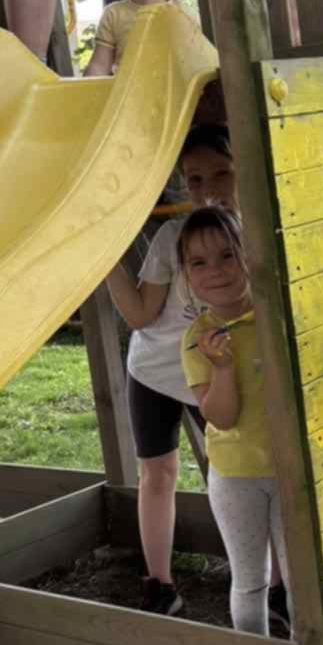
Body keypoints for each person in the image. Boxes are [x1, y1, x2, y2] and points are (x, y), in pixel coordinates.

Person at [104, 126, 237, 616]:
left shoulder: (250, 235)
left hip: (217, 370)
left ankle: (262, 580)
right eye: (195, 179)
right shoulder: (170, 237)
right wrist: (105, 260)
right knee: (156, 473)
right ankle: (159, 583)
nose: (208, 190)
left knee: (235, 473)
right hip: (154, 372)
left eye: (221, 174)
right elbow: (141, 315)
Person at [180, 208, 292, 639]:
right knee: (250, 581)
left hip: (290, 472)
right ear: (187, 276)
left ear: (249, 254)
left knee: (301, 582)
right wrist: (222, 367)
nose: (216, 270)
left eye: (228, 255)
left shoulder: (278, 316)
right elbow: (222, 417)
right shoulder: (196, 340)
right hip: (235, 477)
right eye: (199, 262)